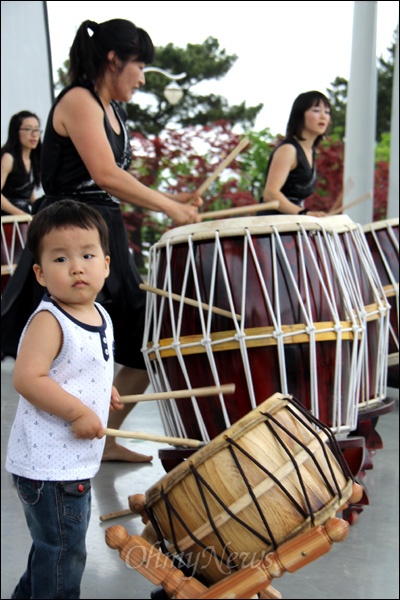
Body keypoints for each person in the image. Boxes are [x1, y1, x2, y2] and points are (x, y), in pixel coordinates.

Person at [1, 19, 202, 462]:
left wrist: (173, 199)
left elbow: (118, 181)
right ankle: (48, 444)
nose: (143, 78)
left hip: (104, 232)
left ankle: (106, 436)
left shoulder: (117, 111)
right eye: (140, 66)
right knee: (55, 340)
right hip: (67, 232)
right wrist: (170, 207)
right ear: (114, 59)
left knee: (143, 342)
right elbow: (105, 174)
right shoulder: (79, 100)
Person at [5, 200, 124, 600]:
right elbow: (28, 378)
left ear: (106, 264)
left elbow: (80, 366)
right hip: (48, 466)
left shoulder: (100, 315)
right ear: (39, 273)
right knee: (63, 553)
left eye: (87, 255)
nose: (77, 267)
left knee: (51, 550)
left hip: (69, 462)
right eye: (60, 258)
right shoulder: (49, 320)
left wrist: (101, 387)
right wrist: (78, 410)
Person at [259, 90, 331, 217]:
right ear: (300, 114)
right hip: (273, 228)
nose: (323, 116)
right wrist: (304, 214)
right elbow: (270, 194)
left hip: (290, 226)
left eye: (327, 112)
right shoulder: (288, 150)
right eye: (316, 110)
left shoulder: (310, 152)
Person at [1, 110, 42, 216]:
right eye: (28, 129)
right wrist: (21, 214)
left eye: (37, 130)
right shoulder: (8, 158)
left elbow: (27, 192)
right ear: (16, 132)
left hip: (23, 216)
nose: (34, 135)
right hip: (8, 219)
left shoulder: (33, 159)